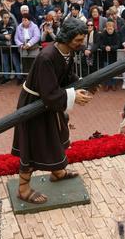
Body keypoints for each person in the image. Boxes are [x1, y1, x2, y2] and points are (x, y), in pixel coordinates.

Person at [11, 18, 93, 204]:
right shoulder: (46, 57)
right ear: (66, 37)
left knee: (56, 135)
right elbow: (48, 93)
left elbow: (66, 76)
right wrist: (73, 96)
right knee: (34, 144)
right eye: (78, 40)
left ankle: (57, 172)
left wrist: (84, 84)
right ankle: (23, 189)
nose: (81, 44)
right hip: (33, 105)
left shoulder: (68, 52)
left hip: (50, 103)